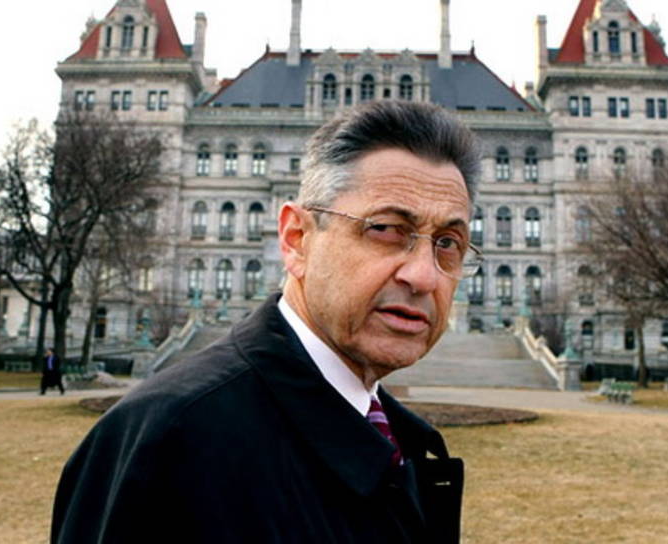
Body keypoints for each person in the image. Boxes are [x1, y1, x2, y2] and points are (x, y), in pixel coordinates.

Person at [51, 100, 481, 543]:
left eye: (448, 242)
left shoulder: (402, 441)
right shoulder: (162, 441)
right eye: (385, 228)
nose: (424, 276)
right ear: (296, 240)